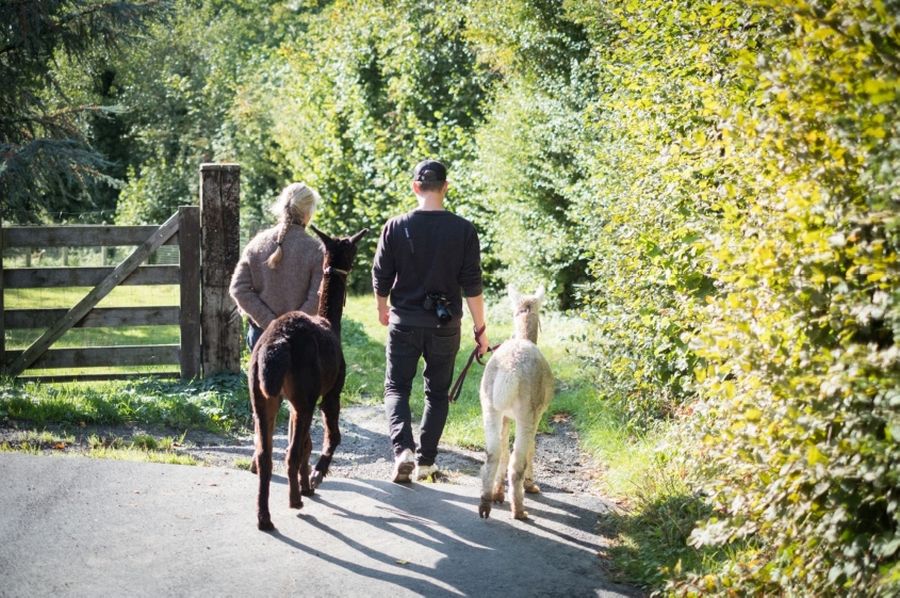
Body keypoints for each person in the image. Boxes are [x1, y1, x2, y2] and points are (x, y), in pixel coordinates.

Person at [372, 159, 490, 483]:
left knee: (396, 388)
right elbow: (472, 286)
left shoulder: (395, 227)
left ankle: (403, 452)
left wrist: (382, 308)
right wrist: (481, 331)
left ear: (415, 187)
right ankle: (425, 462)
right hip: (445, 326)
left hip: (404, 322)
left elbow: (381, 275)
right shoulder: (464, 230)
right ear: (446, 188)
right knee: (437, 394)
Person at [230, 182, 324, 351]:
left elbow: (238, 289)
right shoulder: (316, 250)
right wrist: (293, 326)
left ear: (282, 207)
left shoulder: (256, 244)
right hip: (302, 339)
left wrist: (271, 323)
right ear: (308, 213)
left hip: (262, 336)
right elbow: (317, 297)